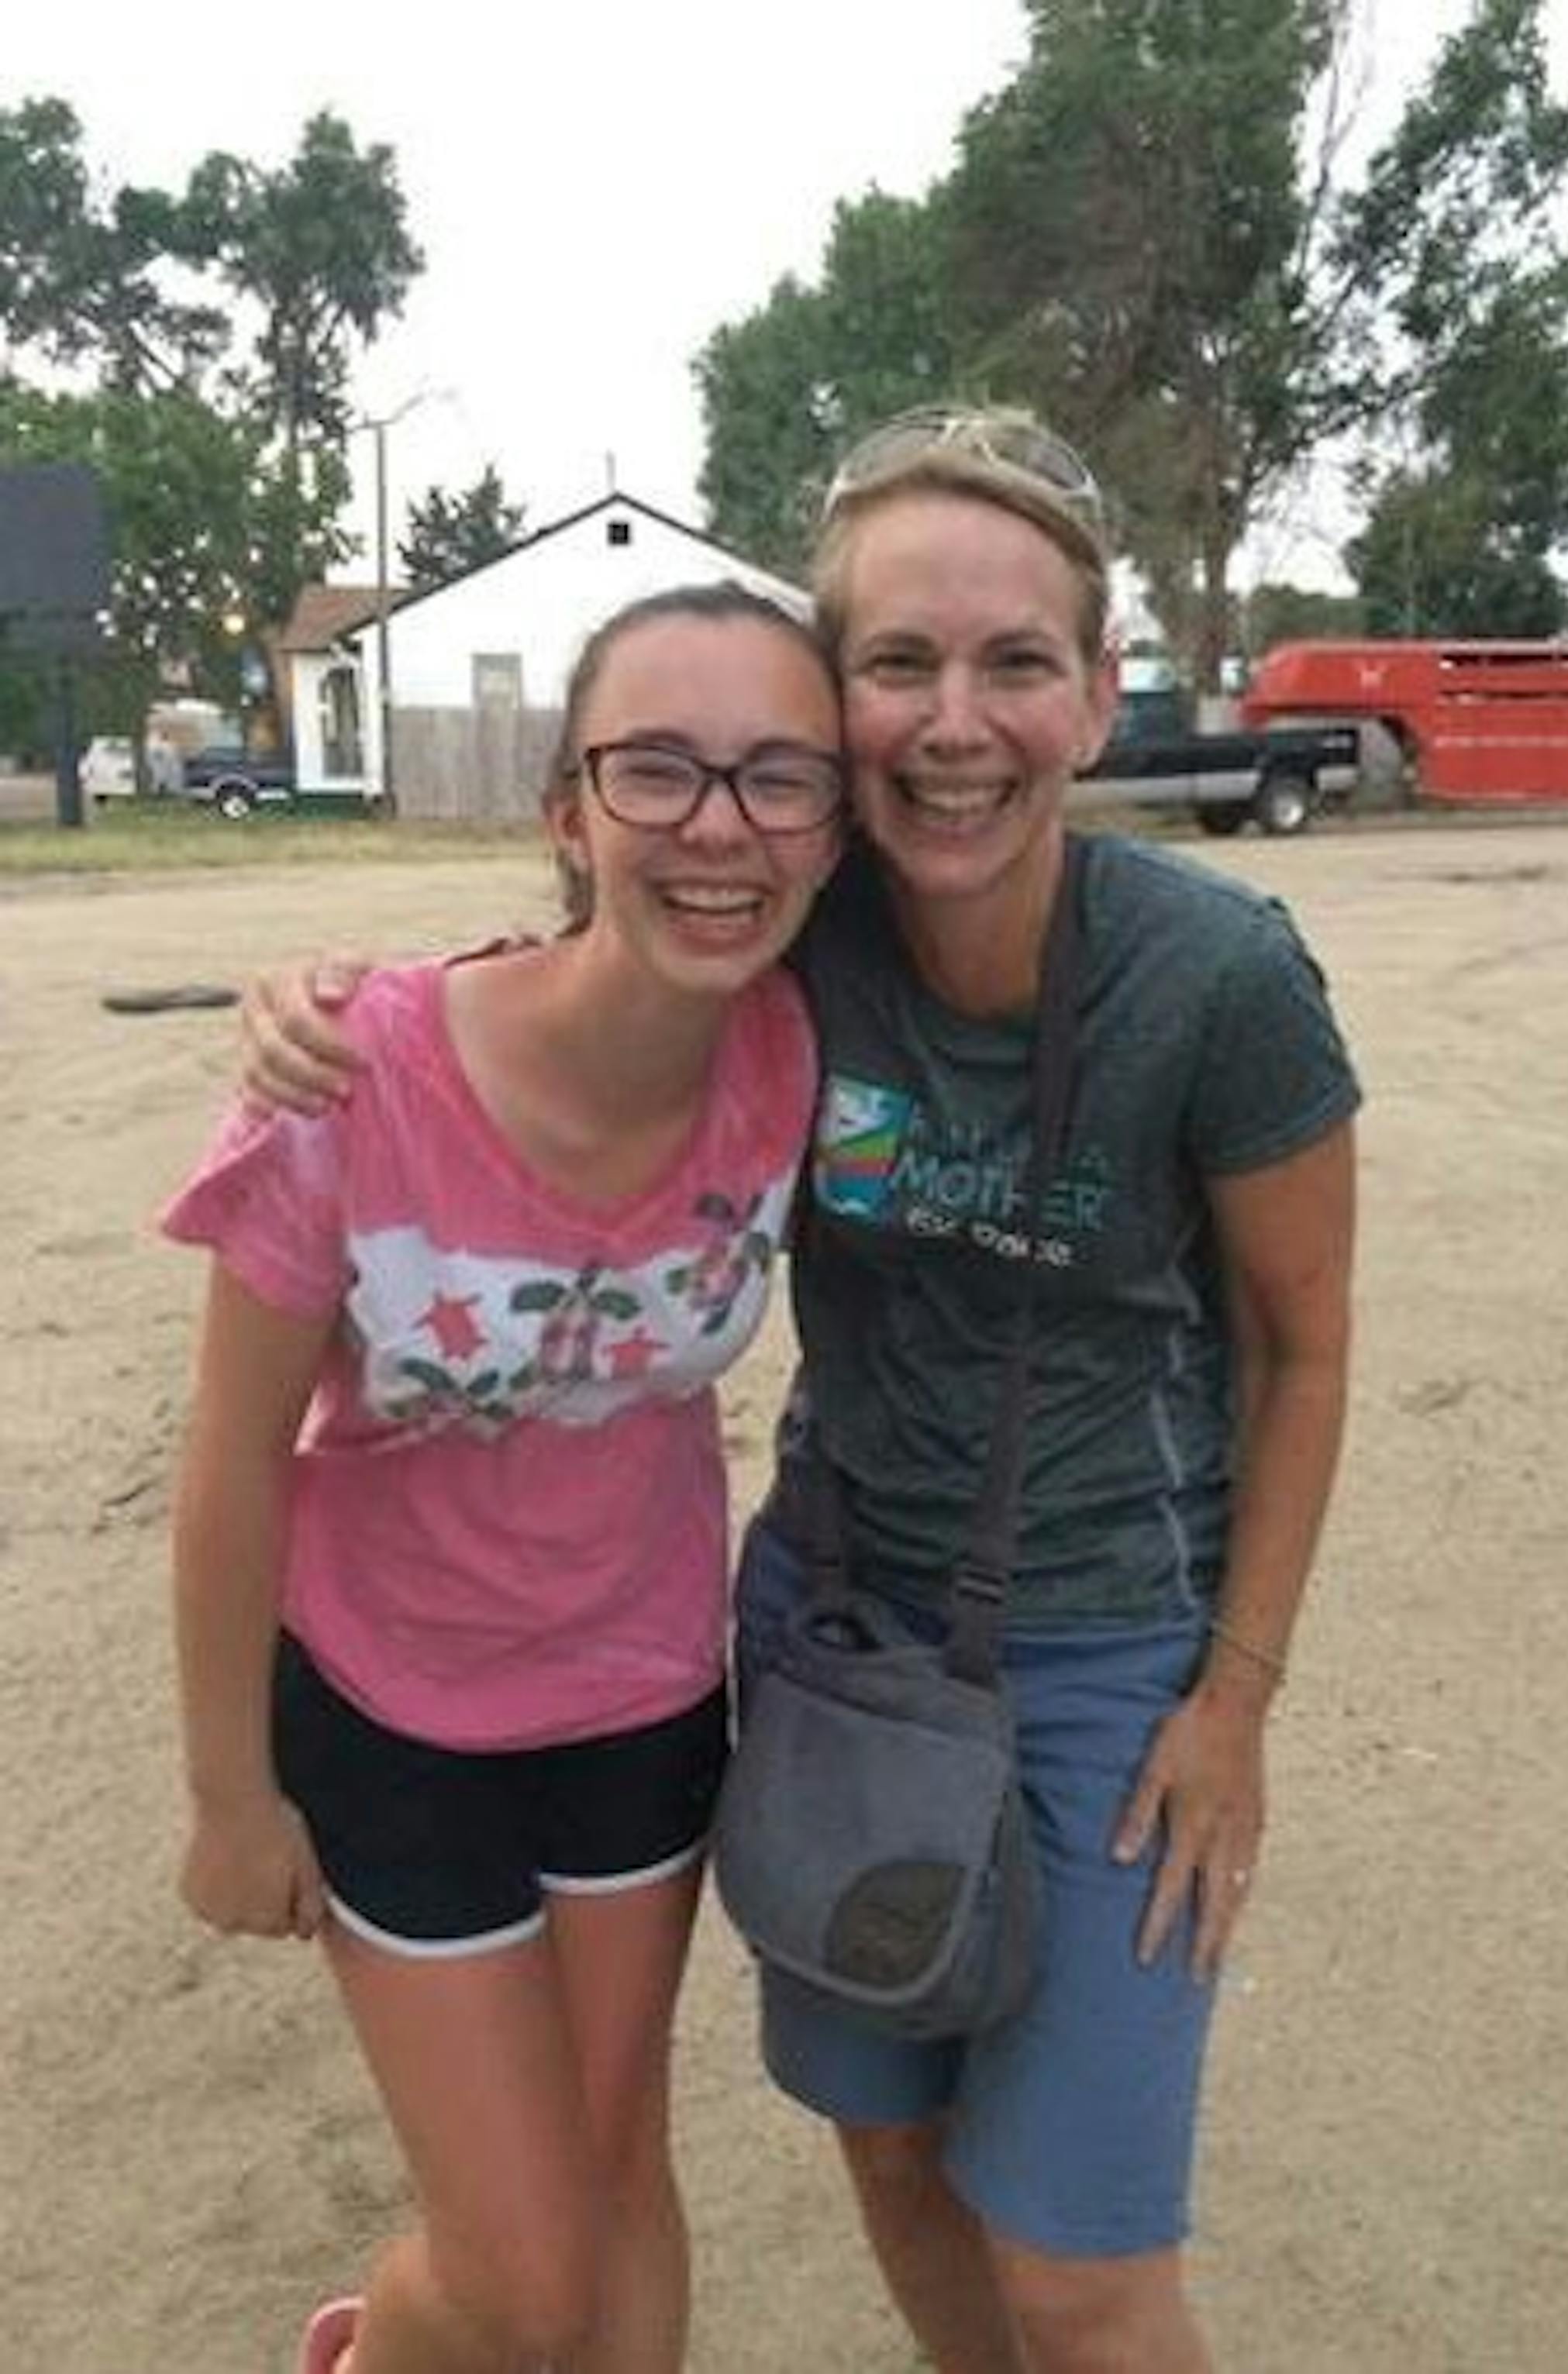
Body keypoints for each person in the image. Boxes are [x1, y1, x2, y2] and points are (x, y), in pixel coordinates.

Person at [243, 406, 1360, 2374]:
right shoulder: (792, 928)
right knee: (897, 2151)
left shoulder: (1217, 978)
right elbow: (578, 964)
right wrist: (337, 1007)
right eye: (898, 661)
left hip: (1109, 1647)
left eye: (1016, 661)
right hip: (836, 1629)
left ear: (1100, 689)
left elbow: (1306, 1338)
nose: (955, 722)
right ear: (838, 708)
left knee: (1084, 2275)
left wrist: (1235, 1699)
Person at [163, 581, 846, 2374]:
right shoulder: (353, 1077)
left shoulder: (798, 1049)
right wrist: (229, 1793)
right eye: (657, 767)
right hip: (391, 1710)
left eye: (780, 774)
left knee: (619, 2181)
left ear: (833, 827)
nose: (720, 823)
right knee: (521, 2280)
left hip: (641, 1697)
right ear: (567, 808)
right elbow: (229, 1460)